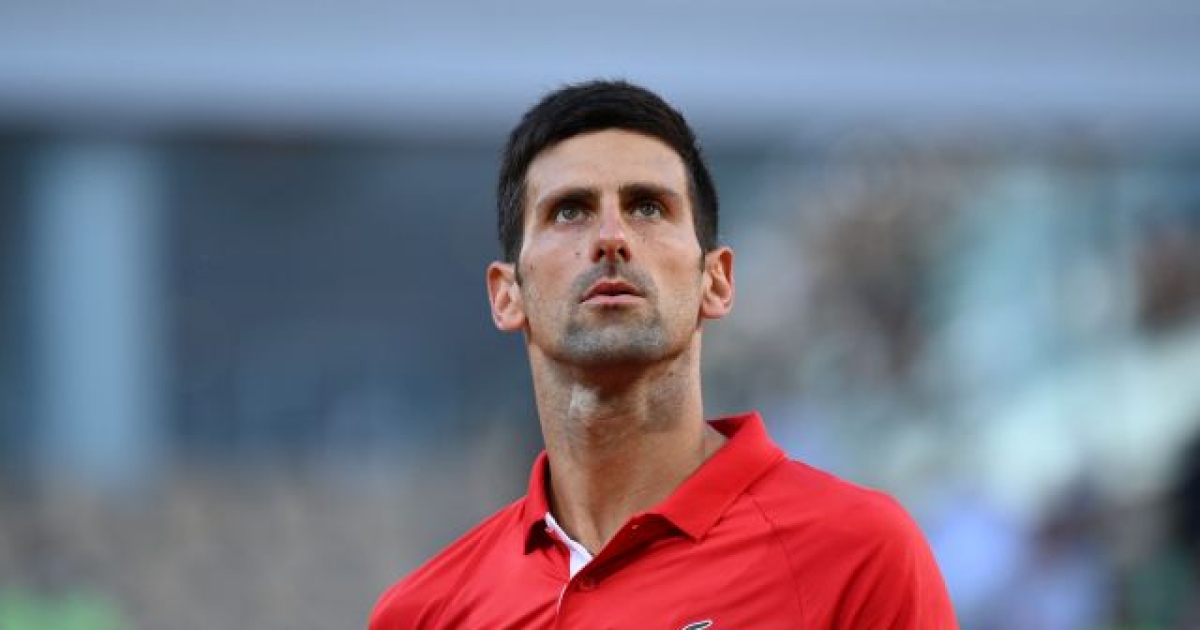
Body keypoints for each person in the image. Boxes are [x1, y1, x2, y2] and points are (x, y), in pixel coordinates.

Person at [369, 79, 958, 629]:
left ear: (716, 281)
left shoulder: (857, 554)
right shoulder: (423, 613)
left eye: (648, 206)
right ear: (507, 294)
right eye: (569, 210)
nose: (611, 238)